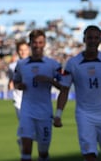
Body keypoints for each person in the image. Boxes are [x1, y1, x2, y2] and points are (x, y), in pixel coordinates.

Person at [53, 25, 101, 161]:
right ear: (84, 39)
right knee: (89, 155)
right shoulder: (73, 63)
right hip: (84, 116)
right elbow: (65, 90)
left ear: (100, 40)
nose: (92, 41)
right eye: (89, 37)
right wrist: (58, 114)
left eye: (96, 38)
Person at [13, 29, 62, 161]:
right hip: (27, 111)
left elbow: (63, 87)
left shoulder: (53, 64)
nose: (37, 45)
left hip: (45, 112)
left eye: (40, 42)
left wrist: (49, 80)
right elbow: (16, 80)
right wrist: (19, 86)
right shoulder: (21, 64)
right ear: (30, 44)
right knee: (26, 149)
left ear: (44, 43)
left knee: (43, 152)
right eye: (35, 42)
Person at [7, 40, 30, 151]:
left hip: (33, 99)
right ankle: (24, 146)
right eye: (21, 50)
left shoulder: (34, 63)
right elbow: (11, 81)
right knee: (24, 122)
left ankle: (22, 140)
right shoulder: (12, 66)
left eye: (25, 49)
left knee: (32, 126)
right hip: (19, 98)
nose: (23, 52)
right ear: (17, 51)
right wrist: (14, 86)